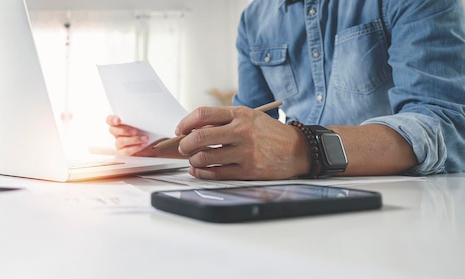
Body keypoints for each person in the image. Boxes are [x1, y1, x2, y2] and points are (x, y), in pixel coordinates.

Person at [106, 0, 465, 180]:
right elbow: (246, 128)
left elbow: (443, 127)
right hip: (295, 201)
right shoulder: (254, 19)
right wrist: (167, 149)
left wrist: (302, 147)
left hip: (408, 210)